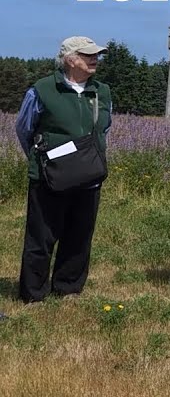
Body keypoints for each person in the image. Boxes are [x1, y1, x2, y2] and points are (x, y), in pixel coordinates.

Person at [14, 36, 112, 303]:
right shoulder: (43, 89)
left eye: (96, 55)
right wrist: (41, 160)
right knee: (41, 237)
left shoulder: (102, 91)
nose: (95, 59)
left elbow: (104, 128)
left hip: (88, 176)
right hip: (49, 176)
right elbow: (24, 128)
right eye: (88, 55)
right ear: (70, 59)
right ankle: (34, 293)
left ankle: (68, 288)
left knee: (80, 234)